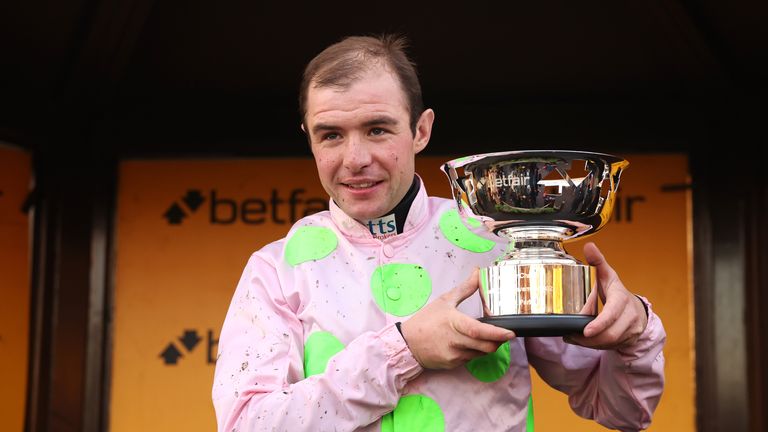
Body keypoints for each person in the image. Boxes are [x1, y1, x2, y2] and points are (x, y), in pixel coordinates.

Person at [212, 34, 665, 432]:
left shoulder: (497, 243)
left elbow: (622, 411)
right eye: (331, 135)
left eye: (377, 129)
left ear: (421, 130)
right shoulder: (277, 269)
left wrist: (635, 333)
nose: (355, 158)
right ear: (309, 137)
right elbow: (246, 424)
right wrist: (403, 350)